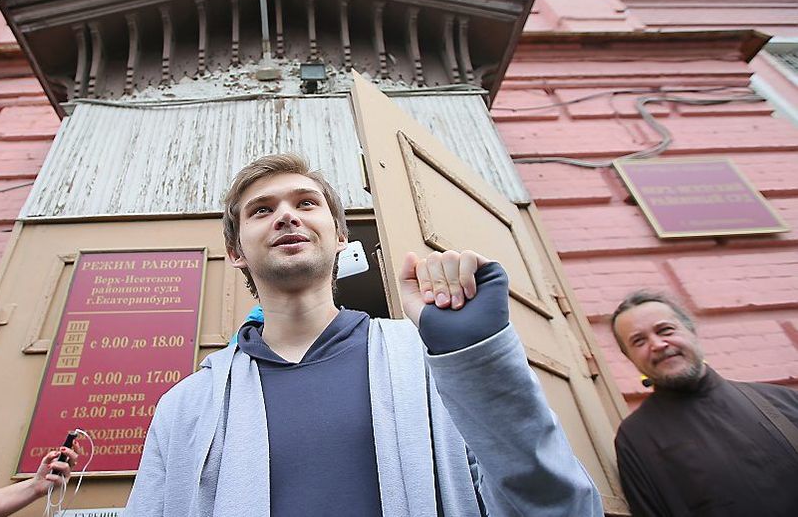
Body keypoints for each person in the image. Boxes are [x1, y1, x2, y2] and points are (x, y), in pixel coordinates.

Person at [125, 153, 601, 516]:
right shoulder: (185, 405)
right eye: (262, 210)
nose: (286, 216)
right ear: (235, 252)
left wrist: (478, 360)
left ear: (340, 238)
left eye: (306, 203)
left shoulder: (429, 363)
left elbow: (557, 505)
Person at [611, 290, 798, 516]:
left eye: (665, 330)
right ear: (630, 357)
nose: (658, 344)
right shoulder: (635, 438)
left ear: (691, 330)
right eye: (639, 341)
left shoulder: (780, 401)